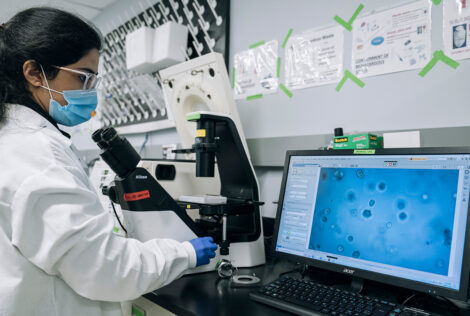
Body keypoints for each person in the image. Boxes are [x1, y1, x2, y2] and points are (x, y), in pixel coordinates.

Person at [0, 7, 217, 316]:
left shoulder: (15, 140)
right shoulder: (36, 154)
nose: (90, 92)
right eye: (82, 77)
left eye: (93, 80)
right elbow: (106, 270)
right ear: (34, 73)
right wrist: (183, 253)